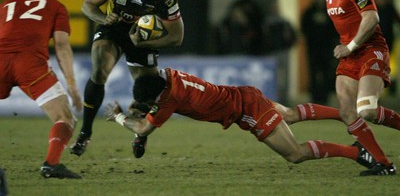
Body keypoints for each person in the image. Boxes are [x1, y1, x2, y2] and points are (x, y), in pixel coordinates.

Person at [104, 68, 381, 176]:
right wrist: (140, 115)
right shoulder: (169, 75)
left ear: (156, 97)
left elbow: (143, 125)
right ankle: (343, 115)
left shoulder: (168, 101)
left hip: (245, 110)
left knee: (294, 154)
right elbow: (149, 86)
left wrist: (117, 116)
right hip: (244, 93)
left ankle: (358, 153)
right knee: (290, 114)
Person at [70, 0, 184, 158]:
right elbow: (87, 5)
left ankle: (140, 134)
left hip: (141, 37)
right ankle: (85, 132)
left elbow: (177, 37)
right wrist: (104, 18)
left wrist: (144, 43)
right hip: (112, 29)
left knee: (147, 92)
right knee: (99, 69)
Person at [309, 0, 399, 175]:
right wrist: (348, 48)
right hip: (351, 55)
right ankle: (384, 164)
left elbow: (371, 18)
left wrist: (351, 46)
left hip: (370, 49)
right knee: (347, 112)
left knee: (367, 110)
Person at [0, 0, 83, 179]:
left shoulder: (5, 6)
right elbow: (62, 46)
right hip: (30, 65)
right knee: (64, 117)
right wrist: (72, 87)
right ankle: (51, 164)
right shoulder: (55, 5)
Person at [301, 0, 337, 104]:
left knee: (326, 74)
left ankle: (324, 100)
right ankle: (314, 99)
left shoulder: (331, 12)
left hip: (327, 49)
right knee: (313, 74)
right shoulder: (309, 12)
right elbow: (304, 28)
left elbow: (336, 29)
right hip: (313, 49)